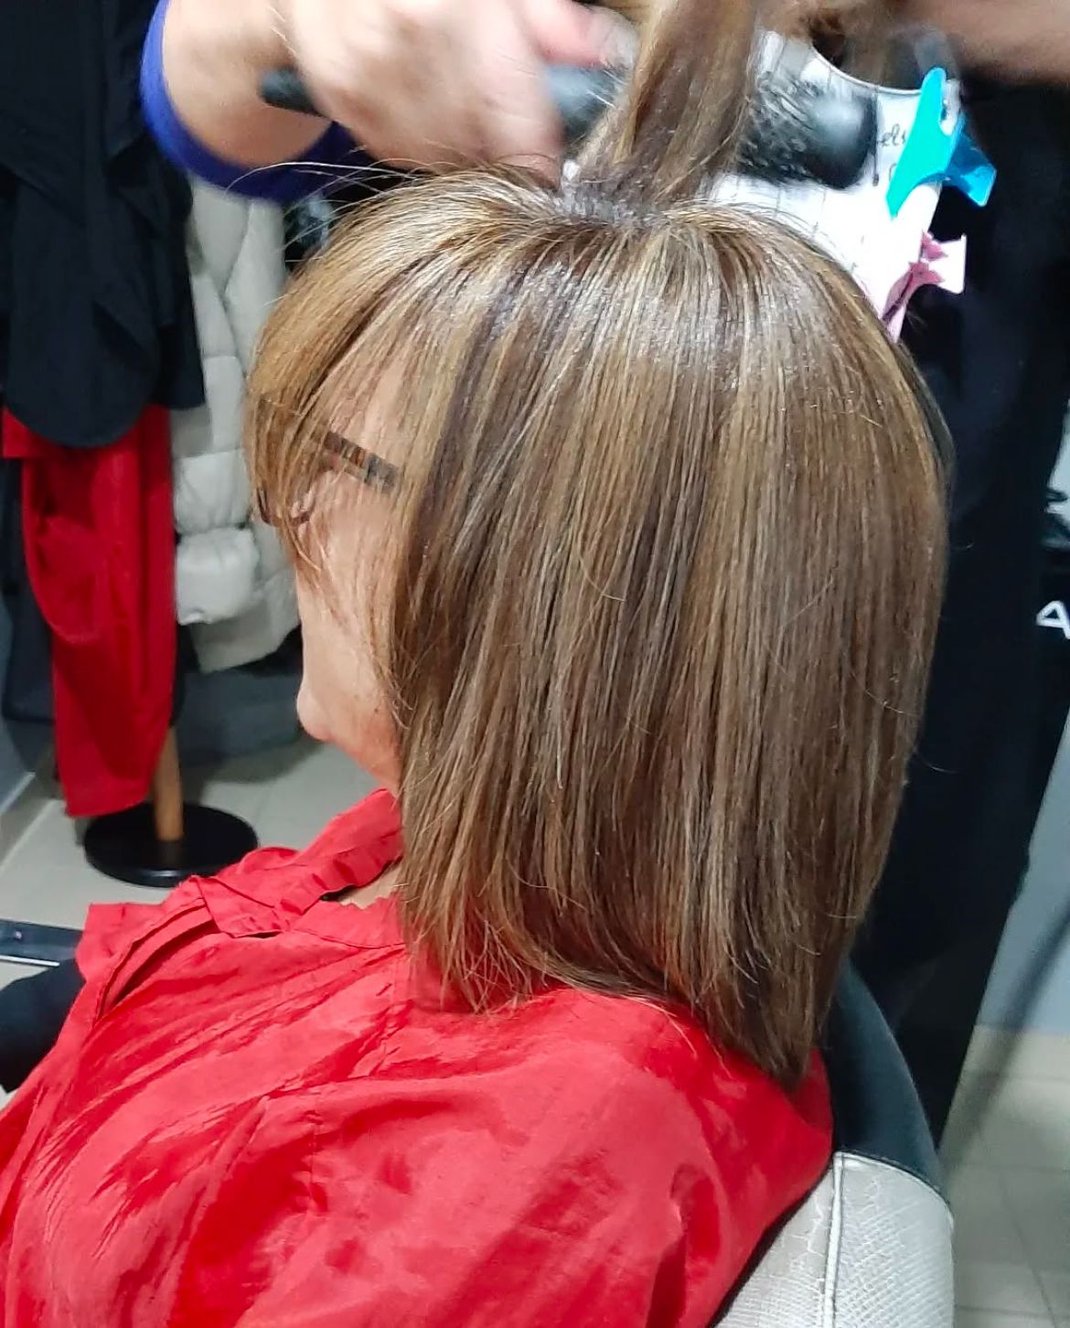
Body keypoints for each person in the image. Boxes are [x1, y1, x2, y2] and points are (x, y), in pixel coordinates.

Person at [0, 0, 946, 1322]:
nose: (286, 509)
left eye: (333, 462)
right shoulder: (456, 837)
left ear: (548, 584)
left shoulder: (497, 1190)